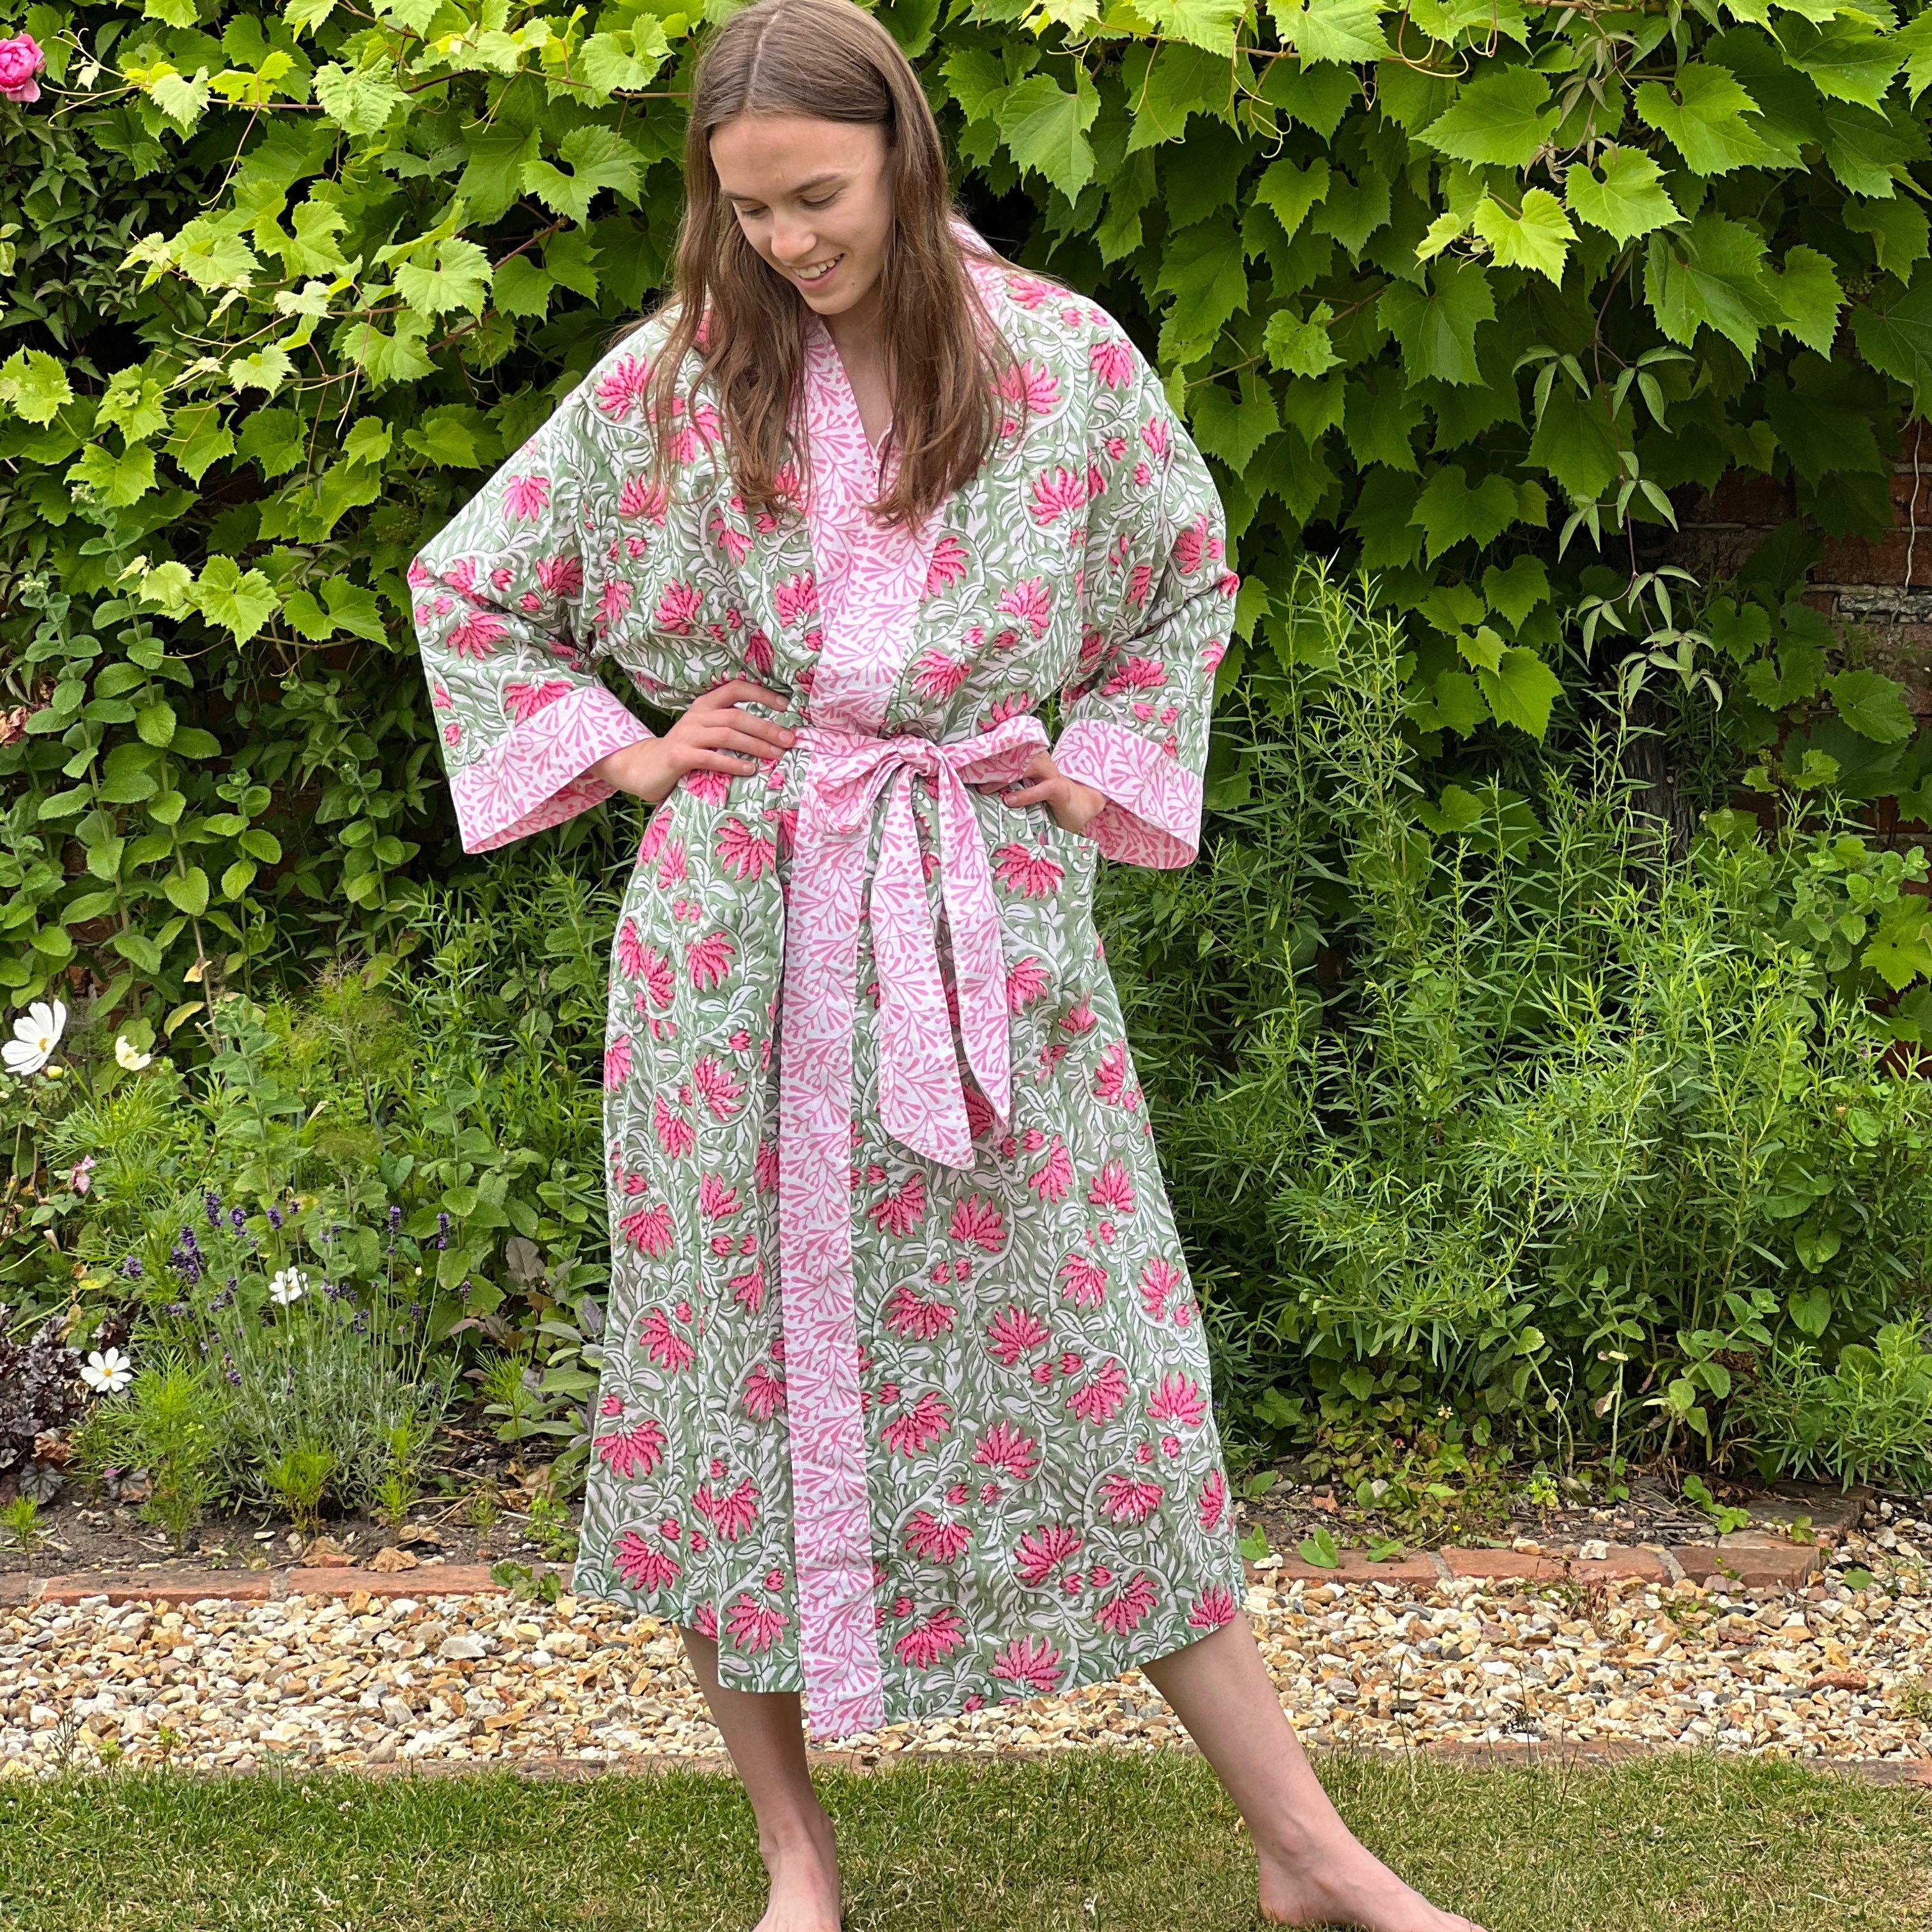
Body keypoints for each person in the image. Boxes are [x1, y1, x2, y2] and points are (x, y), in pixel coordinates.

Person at [408, 3, 1484, 1927]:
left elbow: (1181, 578)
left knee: (1113, 1367)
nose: (788, 244)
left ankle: (1309, 1854)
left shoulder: (1062, 364)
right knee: (725, 1379)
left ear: (902, 151)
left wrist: (1095, 779)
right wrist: (636, 753)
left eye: (816, 197)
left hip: (975, 932)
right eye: (748, 213)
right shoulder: (680, 375)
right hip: (734, 950)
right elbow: (471, 580)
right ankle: (796, 1866)